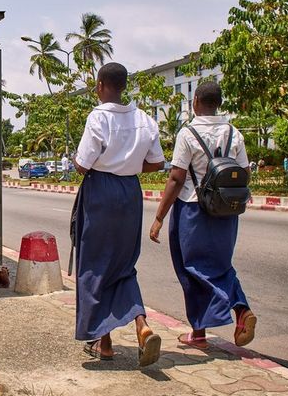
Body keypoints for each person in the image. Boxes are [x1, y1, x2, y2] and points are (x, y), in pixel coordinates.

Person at [148, 81, 256, 350]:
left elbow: (176, 177)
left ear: (195, 100)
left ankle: (203, 330)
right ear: (218, 103)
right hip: (226, 210)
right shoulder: (234, 133)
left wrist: (160, 216)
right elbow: (244, 173)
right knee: (219, 264)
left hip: (193, 209)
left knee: (191, 268)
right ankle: (238, 312)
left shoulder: (188, 134)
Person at [72, 62, 165, 366]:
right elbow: (157, 162)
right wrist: (130, 164)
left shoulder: (98, 117)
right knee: (124, 266)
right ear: (124, 87)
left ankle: (105, 343)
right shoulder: (144, 119)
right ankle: (142, 325)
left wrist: (102, 162)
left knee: (96, 265)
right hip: (130, 193)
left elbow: (83, 164)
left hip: (101, 192)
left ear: (100, 85)